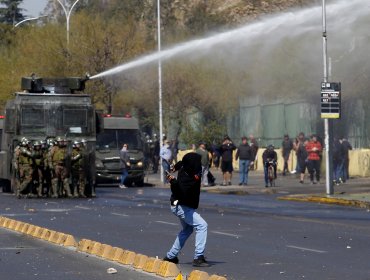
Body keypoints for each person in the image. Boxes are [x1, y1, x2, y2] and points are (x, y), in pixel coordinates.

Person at [163, 152, 210, 267]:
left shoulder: (189, 168)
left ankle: (170, 256)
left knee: (187, 230)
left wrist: (174, 167)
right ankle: (199, 257)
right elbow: (179, 192)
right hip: (181, 206)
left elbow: (182, 163)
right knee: (202, 225)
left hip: (183, 205)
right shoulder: (187, 178)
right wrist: (173, 182)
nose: (199, 166)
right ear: (192, 165)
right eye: (197, 163)